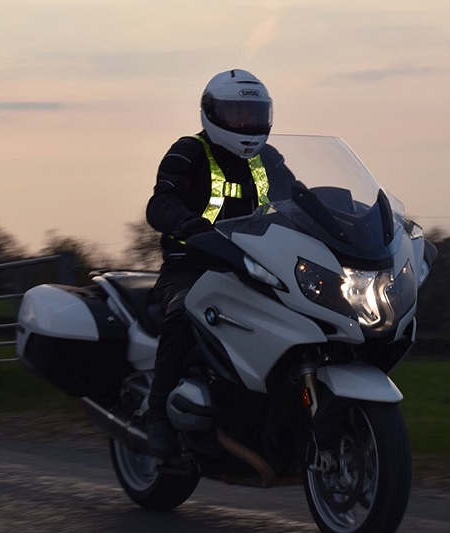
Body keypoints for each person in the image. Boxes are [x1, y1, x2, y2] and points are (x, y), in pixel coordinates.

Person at [145, 69, 290, 457]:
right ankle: (156, 415)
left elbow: (299, 199)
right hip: (189, 269)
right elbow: (160, 202)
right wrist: (187, 224)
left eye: (254, 113)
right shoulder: (189, 151)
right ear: (212, 113)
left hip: (254, 270)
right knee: (184, 314)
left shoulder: (268, 159)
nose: (246, 123)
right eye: (237, 113)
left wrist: (340, 209)